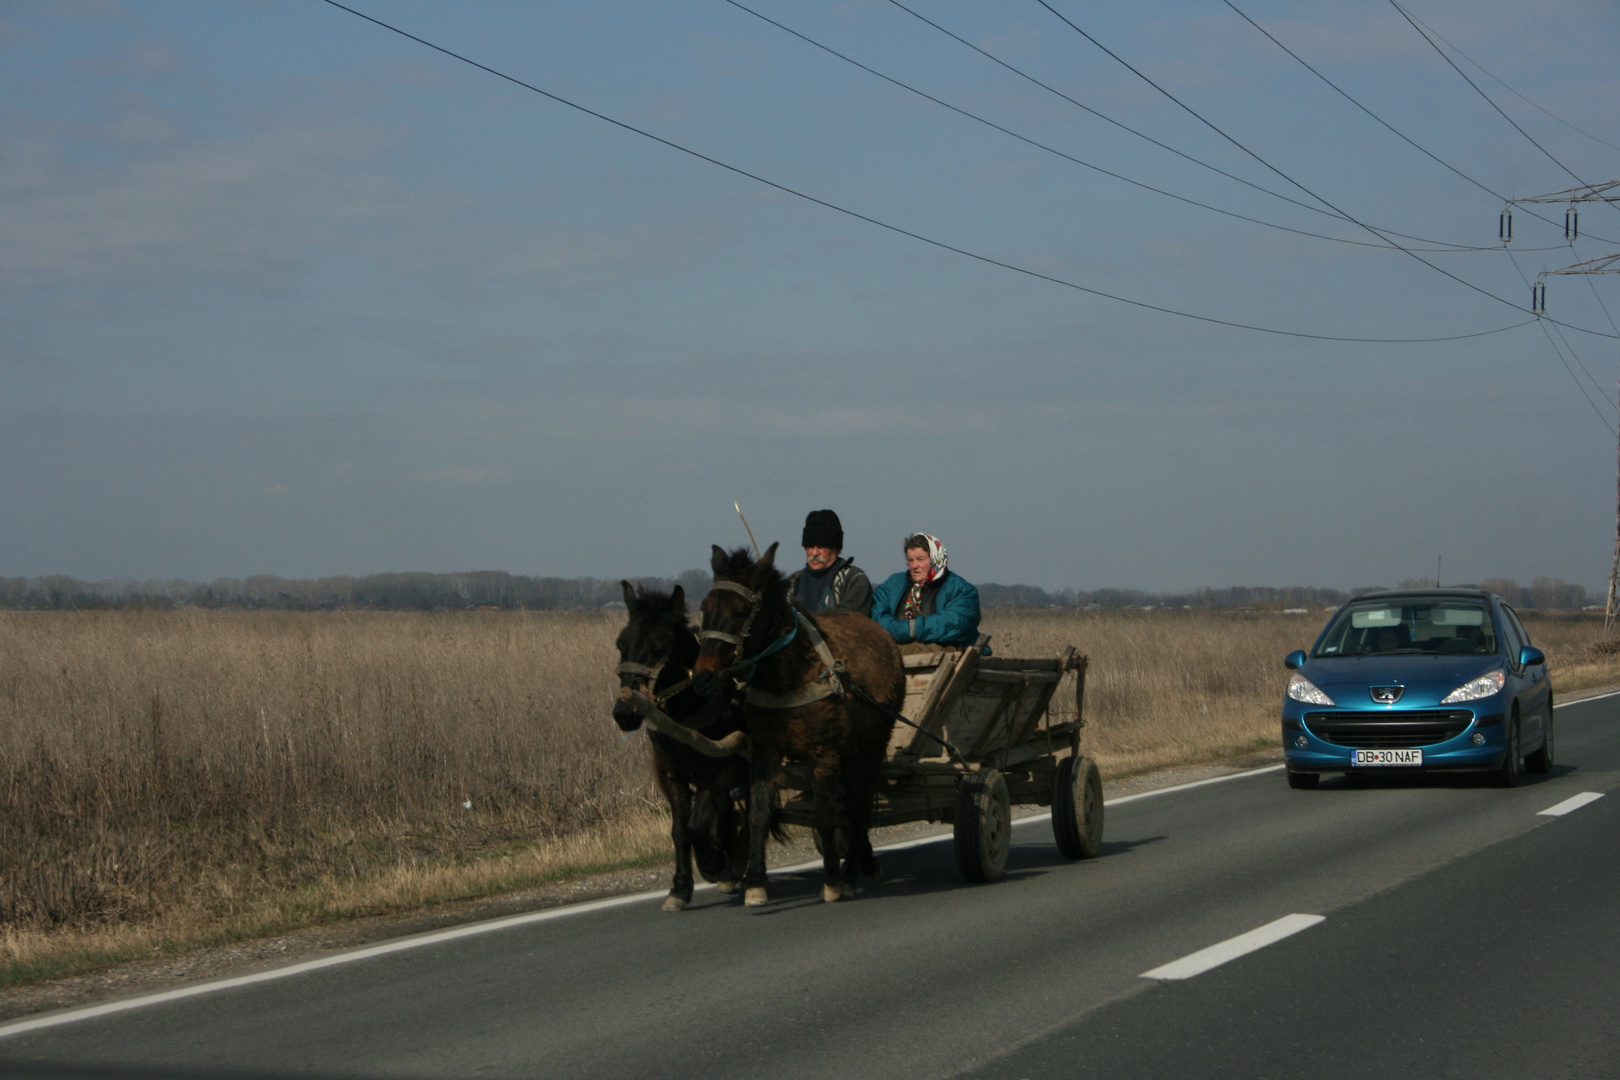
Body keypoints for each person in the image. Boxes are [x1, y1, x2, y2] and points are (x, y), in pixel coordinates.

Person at [871, 533, 981, 650]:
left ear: (935, 559)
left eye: (920, 559)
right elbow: (876, 614)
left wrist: (913, 629)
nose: (914, 566)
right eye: (910, 560)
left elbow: (956, 624)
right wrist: (898, 630)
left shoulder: (961, 589)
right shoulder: (893, 584)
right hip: (893, 645)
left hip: (943, 649)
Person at [782, 509, 873, 615]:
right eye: (810, 546)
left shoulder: (853, 579)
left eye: (821, 546)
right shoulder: (792, 582)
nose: (815, 553)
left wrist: (806, 622)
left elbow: (851, 618)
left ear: (836, 549)